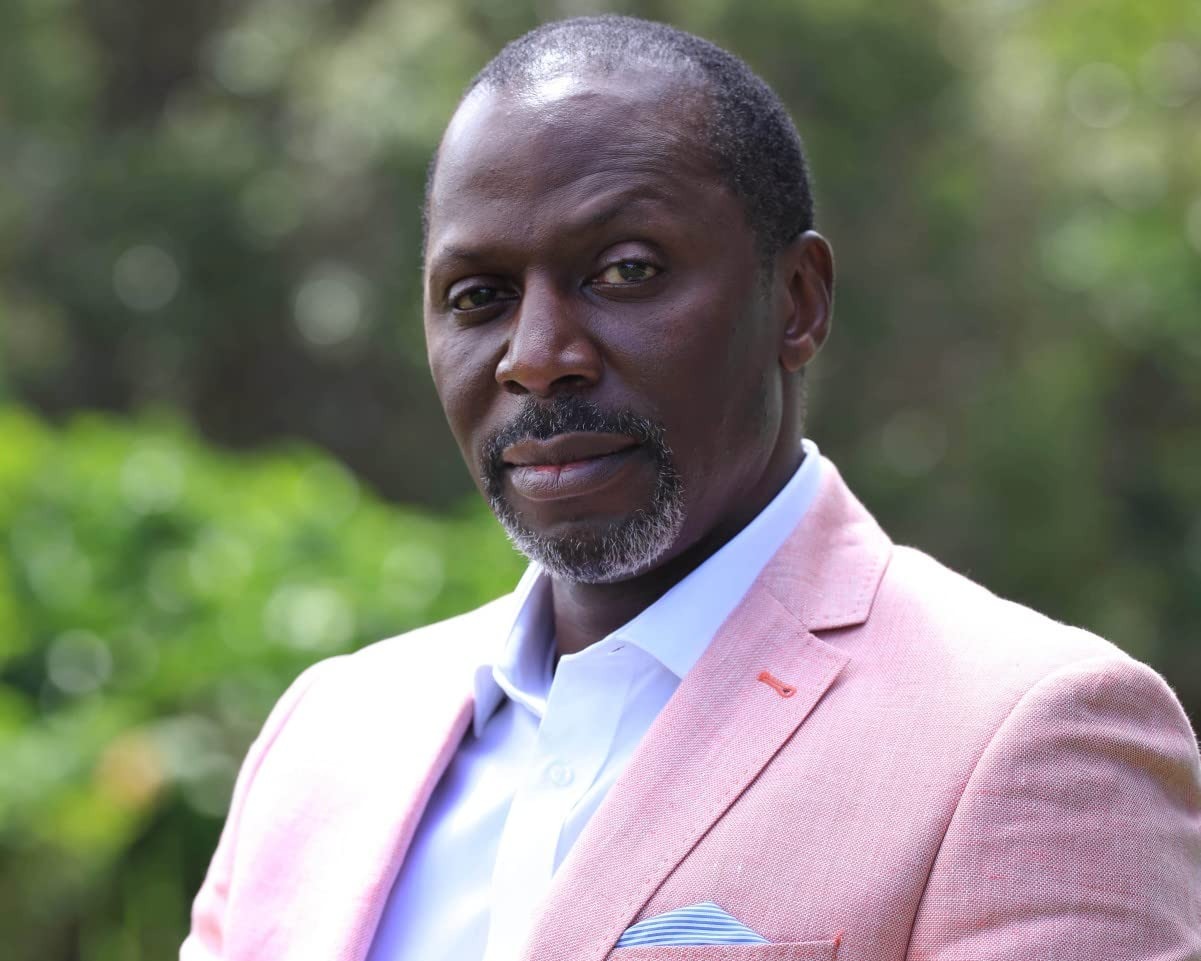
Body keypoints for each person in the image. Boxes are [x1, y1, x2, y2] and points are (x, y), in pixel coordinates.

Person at [182, 15, 1201, 961]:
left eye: (624, 271)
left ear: (795, 302)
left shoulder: (1031, 736)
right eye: (478, 296)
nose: (536, 357)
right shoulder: (328, 736)